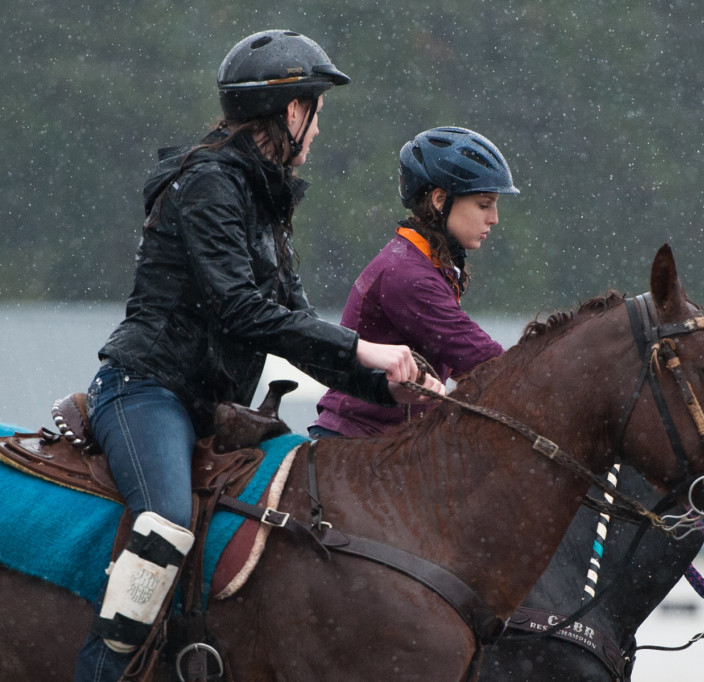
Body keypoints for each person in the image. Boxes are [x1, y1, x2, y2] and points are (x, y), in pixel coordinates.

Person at [73, 30, 443, 682]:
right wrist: (370, 347)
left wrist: (394, 390)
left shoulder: (265, 202)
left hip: (207, 407)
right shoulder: (210, 182)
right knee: (163, 526)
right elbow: (240, 311)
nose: (320, 131)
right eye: (318, 114)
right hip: (144, 391)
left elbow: (294, 328)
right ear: (291, 112)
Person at [310, 126, 519, 438]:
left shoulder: (422, 261)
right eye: (483, 204)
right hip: (359, 446)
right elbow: (482, 361)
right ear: (439, 199)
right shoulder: (408, 275)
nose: (494, 218)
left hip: (389, 444)